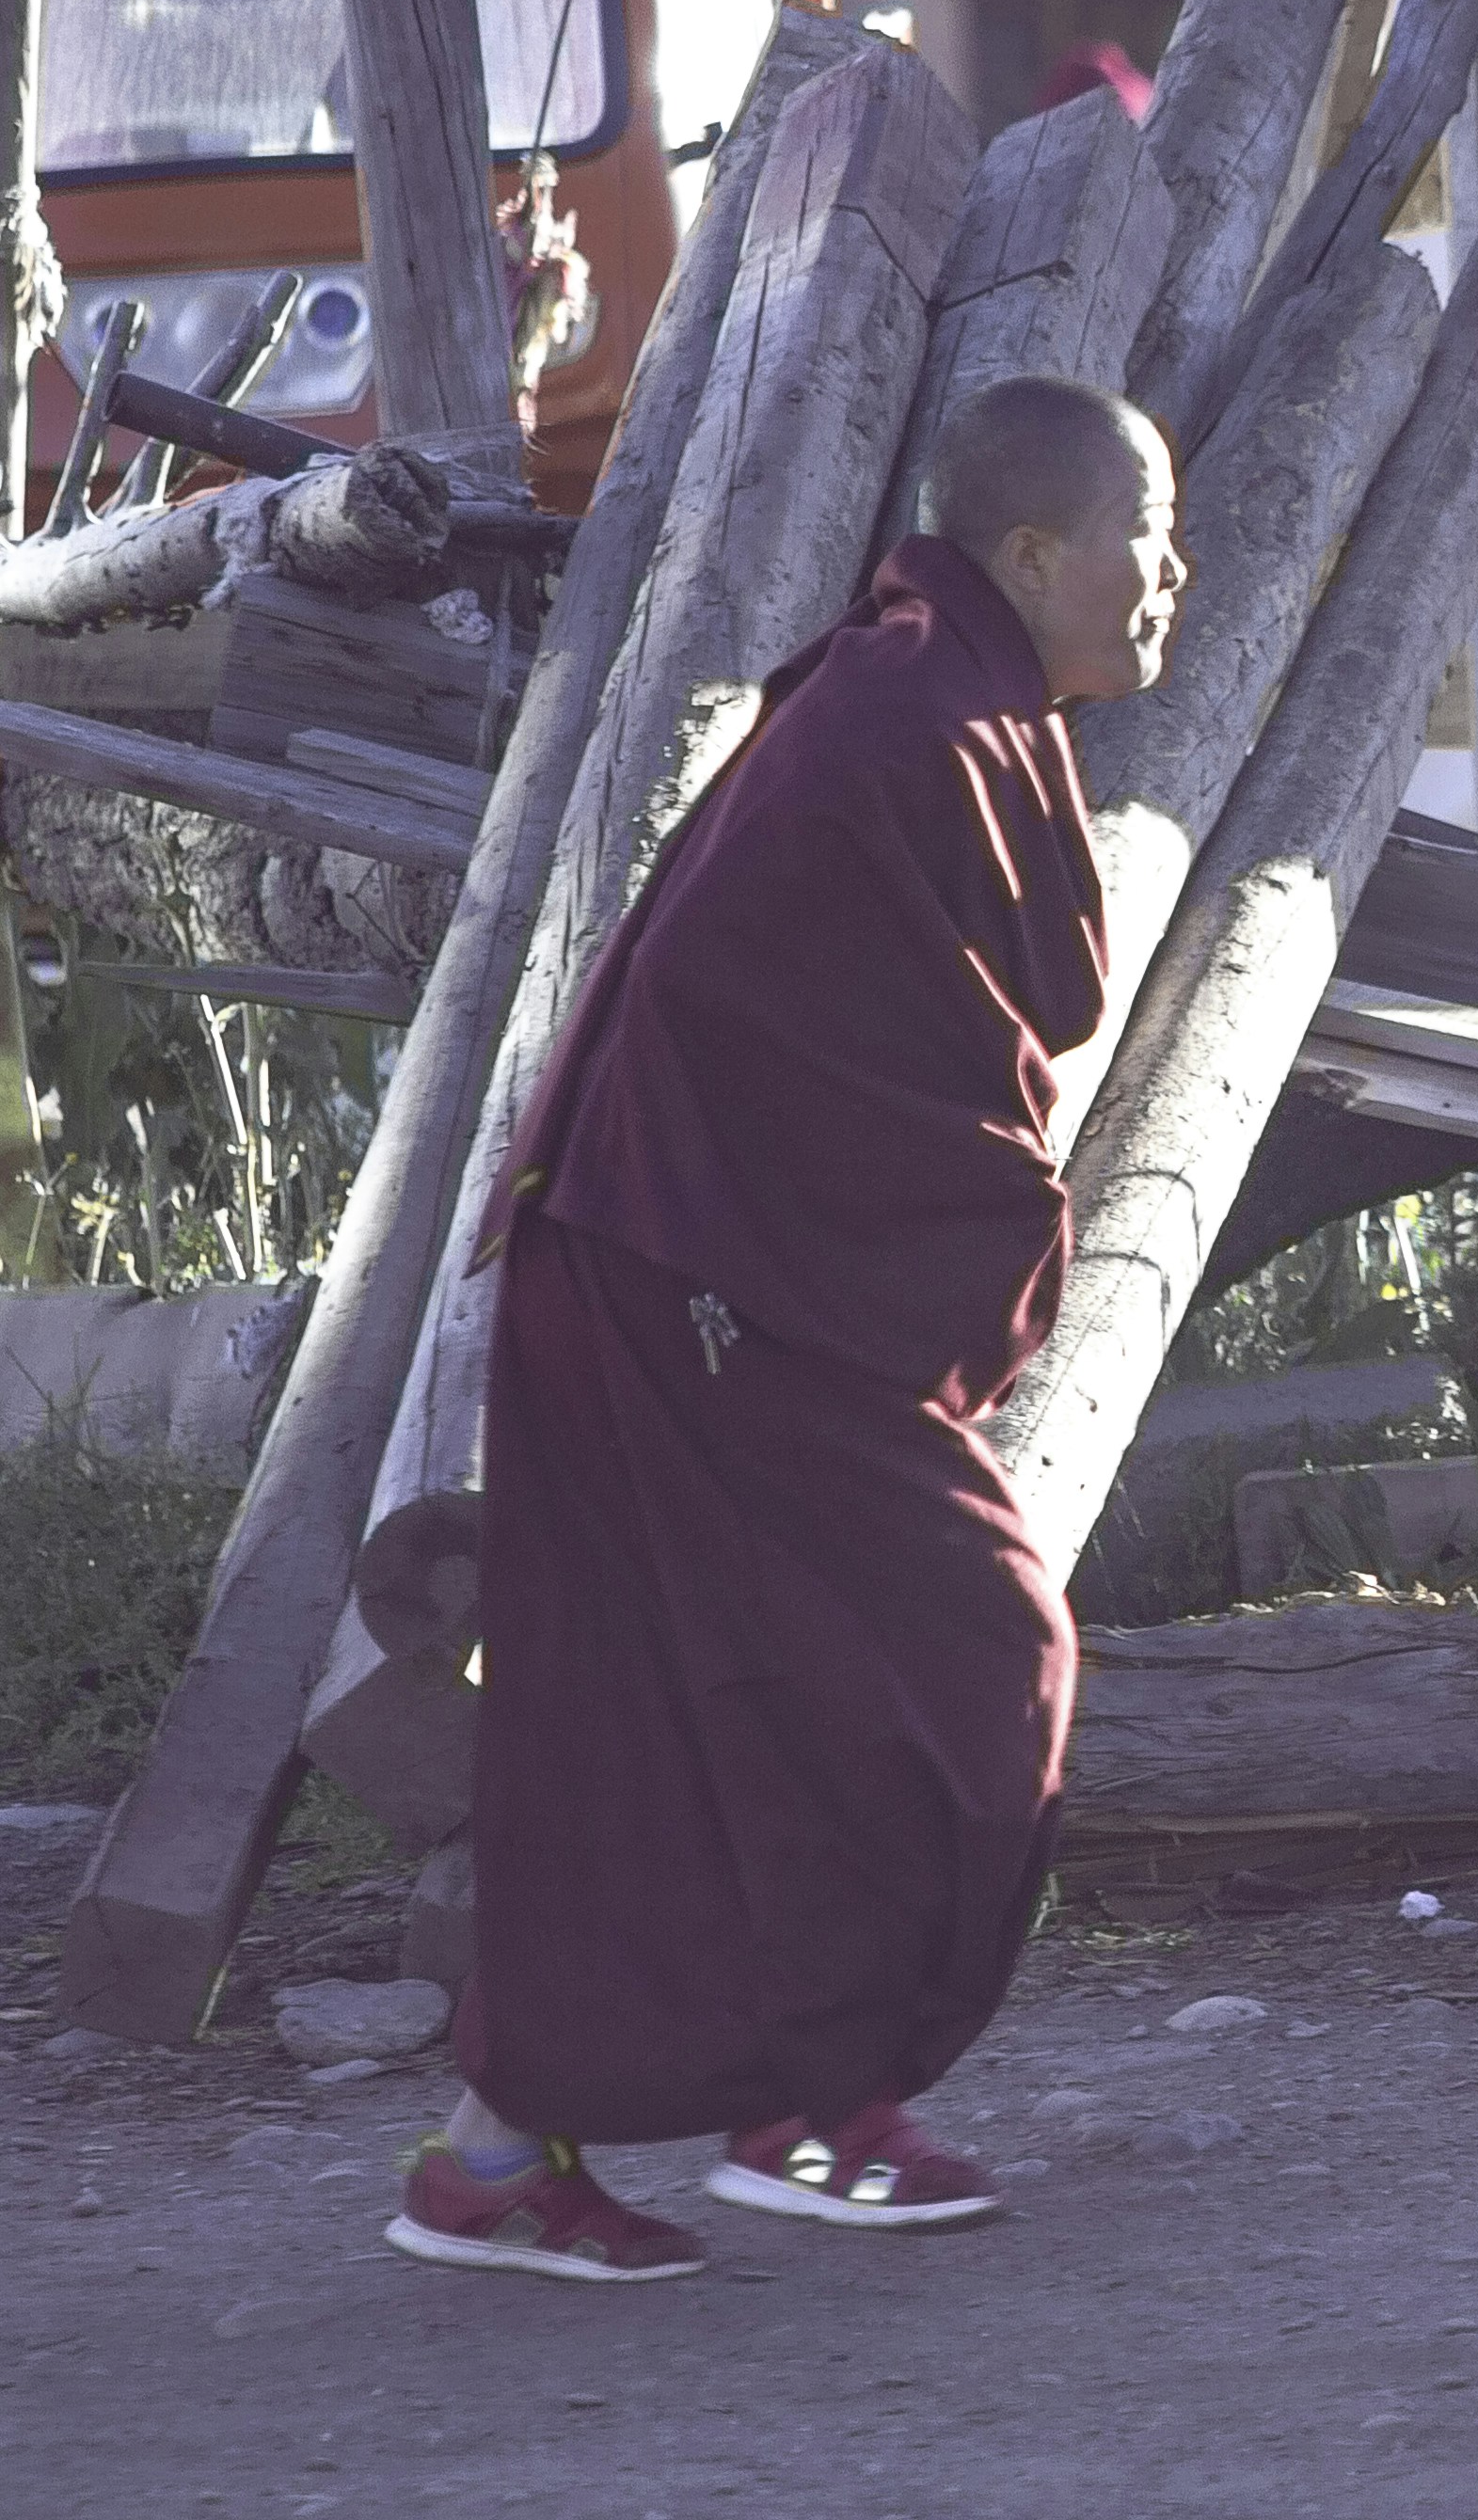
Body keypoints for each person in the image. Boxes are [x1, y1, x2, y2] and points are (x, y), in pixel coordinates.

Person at [385, 374, 1183, 2285]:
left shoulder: (947, 699)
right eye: (1155, 542)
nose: (1178, 582)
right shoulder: (914, 718)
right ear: (1038, 553)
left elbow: (894, 1048)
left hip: (678, 1264)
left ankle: (520, 2158)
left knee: (670, 1722)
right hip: (692, 1284)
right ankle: (811, 2113)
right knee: (977, 1652)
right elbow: (817, 1063)